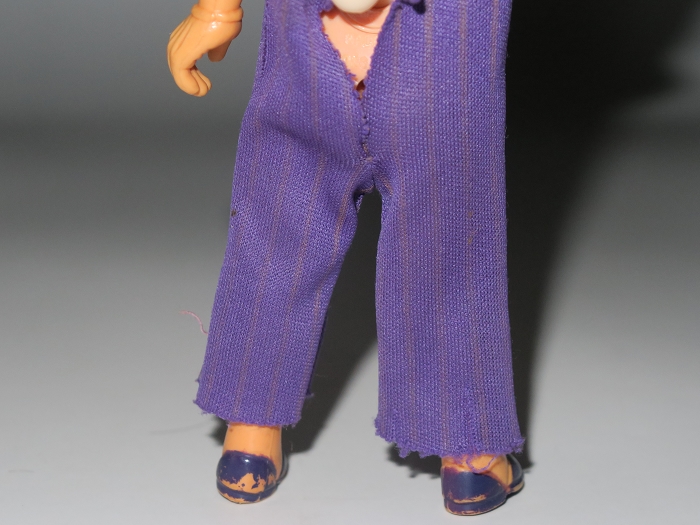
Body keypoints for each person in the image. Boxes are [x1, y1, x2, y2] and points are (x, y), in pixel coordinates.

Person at [167, 0, 524, 515]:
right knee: (448, 251)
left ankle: (249, 440)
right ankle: (471, 457)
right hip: (439, 56)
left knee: (279, 233)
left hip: (317, 49)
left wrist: (216, 11)